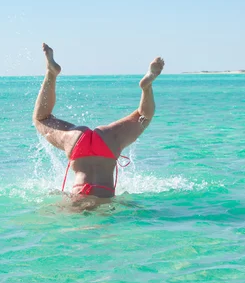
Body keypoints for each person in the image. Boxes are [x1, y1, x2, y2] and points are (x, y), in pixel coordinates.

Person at [33, 43, 164, 199]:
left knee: (144, 118)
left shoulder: (90, 206)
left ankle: (51, 73)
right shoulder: (87, 206)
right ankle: (146, 87)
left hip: (102, 143)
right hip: (82, 145)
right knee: (41, 118)